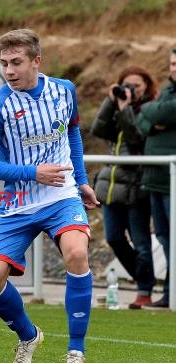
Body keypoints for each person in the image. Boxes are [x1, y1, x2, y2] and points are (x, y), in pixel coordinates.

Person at [0, 29, 98, 363]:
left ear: (36, 61)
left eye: (16, 62)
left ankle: (76, 353)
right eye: (4, 64)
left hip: (61, 195)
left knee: (77, 253)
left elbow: (71, 131)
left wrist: (82, 179)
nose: (9, 70)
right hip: (17, 201)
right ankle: (28, 336)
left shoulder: (65, 91)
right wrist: (33, 172)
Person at [91, 66, 158, 309]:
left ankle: (144, 290)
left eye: (136, 86)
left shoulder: (150, 111)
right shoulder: (119, 108)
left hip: (137, 184)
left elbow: (136, 139)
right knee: (114, 238)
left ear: (147, 87)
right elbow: (98, 129)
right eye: (126, 85)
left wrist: (125, 109)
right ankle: (143, 278)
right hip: (111, 185)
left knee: (141, 242)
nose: (131, 90)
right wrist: (111, 102)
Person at [136, 47, 176, 310]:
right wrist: (155, 115)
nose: (173, 68)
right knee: (164, 237)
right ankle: (170, 293)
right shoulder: (167, 90)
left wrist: (154, 112)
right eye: (172, 63)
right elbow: (142, 120)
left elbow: (162, 113)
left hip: (172, 180)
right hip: (156, 178)